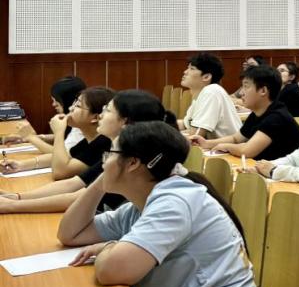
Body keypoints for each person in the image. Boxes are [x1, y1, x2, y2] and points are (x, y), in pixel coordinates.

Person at [58, 121, 261, 287]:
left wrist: (110, 247)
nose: (104, 162)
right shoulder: (142, 201)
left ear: (132, 163)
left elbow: (111, 272)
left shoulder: (174, 201)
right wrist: (102, 182)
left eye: (110, 154)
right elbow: (70, 233)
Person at [0, 91, 174, 214]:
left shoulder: (131, 160)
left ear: (125, 122)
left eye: (107, 111)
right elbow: (73, 184)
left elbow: (73, 190)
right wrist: (17, 197)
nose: (101, 116)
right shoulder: (116, 149)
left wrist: (13, 205)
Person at [193, 64, 299, 160]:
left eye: (246, 87)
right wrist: (206, 143)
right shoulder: (257, 113)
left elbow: (247, 151)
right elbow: (236, 139)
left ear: (263, 90)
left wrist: (226, 146)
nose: (241, 92)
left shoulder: (277, 117)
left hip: (292, 175)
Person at [1, 86, 114, 178]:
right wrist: (21, 165)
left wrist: (59, 132)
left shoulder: (103, 142)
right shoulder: (88, 140)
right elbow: (63, 156)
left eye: (78, 106)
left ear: (95, 118)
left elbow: (60, 172)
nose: (70, 108)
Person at [2, 75, 86, 150]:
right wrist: (29, 138)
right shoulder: (73, 120)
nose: (53, 104)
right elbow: (65, 137)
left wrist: (31, 138)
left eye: (56, 101)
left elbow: (62, 155)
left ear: (68, 100)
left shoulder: (81, 124)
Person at [179, 52, 243, 139]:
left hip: (230, 147)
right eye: (188, 68)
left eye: (192, 69)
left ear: (206, 77)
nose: (185, 72)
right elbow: (185, 124)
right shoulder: (201, 95)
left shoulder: (211, 92)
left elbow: (196, 135)